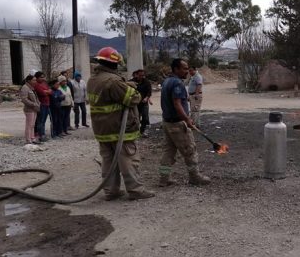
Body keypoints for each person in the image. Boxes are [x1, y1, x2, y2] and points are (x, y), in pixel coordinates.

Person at [87, 46, 154, 200]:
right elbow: (134, 98)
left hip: (102, 129)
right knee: (128, 159)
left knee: (108, 161)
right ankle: (136, 190)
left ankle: (111, 191)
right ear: (114, 64)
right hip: (119, 128)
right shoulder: (113, 81)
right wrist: (130, 86)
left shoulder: (92, 80)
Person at [158, 58, 210, 187]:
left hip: (167, 123)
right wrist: (187, 119)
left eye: (187, 68)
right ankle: (195, 177)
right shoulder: (177, 83)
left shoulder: (167, 81)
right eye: (184, 68)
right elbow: (176, 103)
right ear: (176, 69)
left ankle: (164, 178)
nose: (187, 71)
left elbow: (172, 100)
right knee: (190, 150)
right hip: (177, 124)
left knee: (168, 152)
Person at [19, 74, 41, 144]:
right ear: (29, 80)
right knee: (29, 125)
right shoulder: (25, 88)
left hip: (34, 109)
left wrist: (38, 103)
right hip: (29, 109)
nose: (35, 81)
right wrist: (33, 104)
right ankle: (28, 140)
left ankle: (32, 138)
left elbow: (35, 97)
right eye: (33, 80)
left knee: (32, 125)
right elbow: (24, 99)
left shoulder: (31, 88)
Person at [132, 69, 152, 137]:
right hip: (135, 103)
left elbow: (149, 91)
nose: (142, 77)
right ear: (137, 75)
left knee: (145, 117)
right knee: (136, 118)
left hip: (144, 103)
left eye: (143, 75)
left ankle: (142, 131)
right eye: (140, 75)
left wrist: (147, 98)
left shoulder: (146, 82)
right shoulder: (132, 81)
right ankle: (136, 131)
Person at [33, 71, 52, 142]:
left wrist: (46, 91)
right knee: (40, 121)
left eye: (43, 77)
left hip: (47, 104)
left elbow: (51, 91)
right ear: (37, 78)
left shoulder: (44, 83)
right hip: (41, 104)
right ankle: (41, 135)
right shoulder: (36, 85)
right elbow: (42, 93)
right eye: (41, 77)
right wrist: (47, 91)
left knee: (43, 121)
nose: (43, 78)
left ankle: (43, 134)